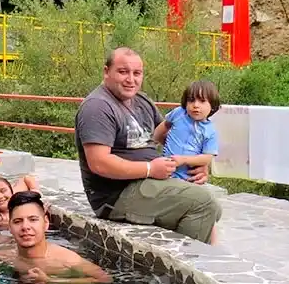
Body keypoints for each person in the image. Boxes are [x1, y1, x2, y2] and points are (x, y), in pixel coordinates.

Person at [73, 47, 222, 244]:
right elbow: (99, 163)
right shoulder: (98, 107)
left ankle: (188, 255)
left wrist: (198, 164)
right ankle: (185, 260)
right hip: (118, 194)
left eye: (137, 73)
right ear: (106, 72)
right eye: (123, 72)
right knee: (204, 204)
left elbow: (170, 136)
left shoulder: (142, 101)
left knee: (212, 209)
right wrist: (150, 168)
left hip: (150, 182)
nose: (131, 79)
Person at [0, 191, 111, 284]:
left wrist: (51, 281)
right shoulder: (4, 256)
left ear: (46, 223)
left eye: (33, 219)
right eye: (18, 221)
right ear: (10, 227)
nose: (25, 227)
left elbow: (105, 279)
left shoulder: (66, 259)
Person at [153, 79, 222, 244]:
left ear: (212, 106)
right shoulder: (178, 114)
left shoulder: (210, 131)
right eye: (191, 100)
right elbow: (163, 128)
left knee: (207, 207)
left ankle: (214, 246)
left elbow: (207, 157)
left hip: (189, 177)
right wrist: (157, 142)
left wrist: (183, 160)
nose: (196, 105)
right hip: (167, 173)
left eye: (202, 101)